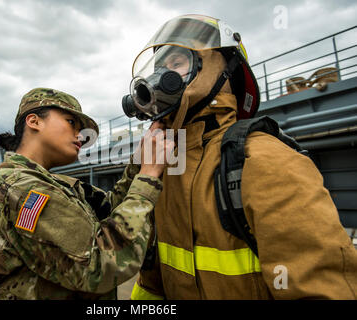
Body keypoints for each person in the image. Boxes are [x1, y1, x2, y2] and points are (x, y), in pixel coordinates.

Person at [122, 14, 357, 299]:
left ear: (215, 70)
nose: (160, 77)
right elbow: (151, 282)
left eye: (177, 63)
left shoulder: (265, 160)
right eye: (160, 67)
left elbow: (321, 289)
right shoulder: (165, 167)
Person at [0, 87, 174, 300]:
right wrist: (148, 177)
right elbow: (102, 265)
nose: (81, 136)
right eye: (71, 122)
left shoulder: (51, 184)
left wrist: (139, 163)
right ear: (34, 121)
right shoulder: (27, 191)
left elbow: (110, 209)